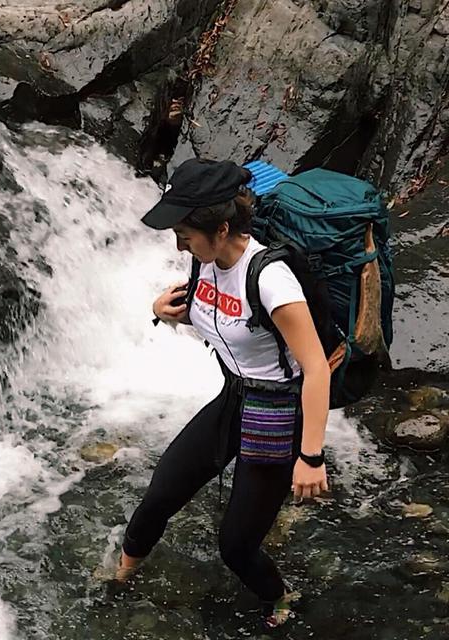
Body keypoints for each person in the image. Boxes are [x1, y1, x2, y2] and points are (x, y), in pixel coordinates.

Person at [118, 158, 330, 628]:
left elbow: (316, 370)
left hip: (276, 408)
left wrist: (311, 457)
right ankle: (118, 577)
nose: (179, 244)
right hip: (233, 396)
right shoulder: (205, 261)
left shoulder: (272, 280)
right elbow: (217, 319)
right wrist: (164, 310)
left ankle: (282, 598)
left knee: (235, 546)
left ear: (222, 227)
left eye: (185, 234)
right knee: (159, 496)